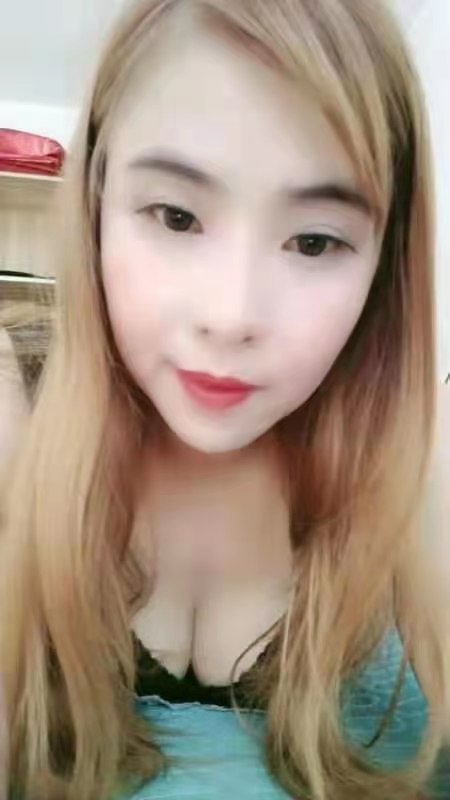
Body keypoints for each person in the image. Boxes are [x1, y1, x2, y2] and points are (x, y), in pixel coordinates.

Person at [0, 0, 449, 798]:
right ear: (94, 205)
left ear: (384, 264)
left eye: (314, 240)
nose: (232, 314)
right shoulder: (13, 405)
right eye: (176, 216)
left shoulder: (426, 470)